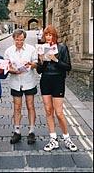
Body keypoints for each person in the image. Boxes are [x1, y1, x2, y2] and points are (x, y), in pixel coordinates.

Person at [36, 24, 77, 152]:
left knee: (59, 113)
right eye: (46, 35)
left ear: (54, 36)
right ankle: (53, 139)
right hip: (45, 80)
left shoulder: (62, 48)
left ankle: (67, 138)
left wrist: (55, 59)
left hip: (58, 80)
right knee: (48, 111)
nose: (48, 37)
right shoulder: (42, 49)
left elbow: (68, 67)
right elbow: (39, 71)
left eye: (50, 35)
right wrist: (42, 61)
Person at [4, 29, 38, 145]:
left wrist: (31, 65)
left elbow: (36, 63)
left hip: (29, 81)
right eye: (17, 40)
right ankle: (17, 131)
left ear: (24, 39)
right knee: (17, 107)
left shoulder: (31, 49)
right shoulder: (9, 51)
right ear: (13, 39)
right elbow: (6, 66)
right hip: (15, 82)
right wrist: (11, 70)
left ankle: (31, 131)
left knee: (30, 106)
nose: (19, 42)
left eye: (21, 40)